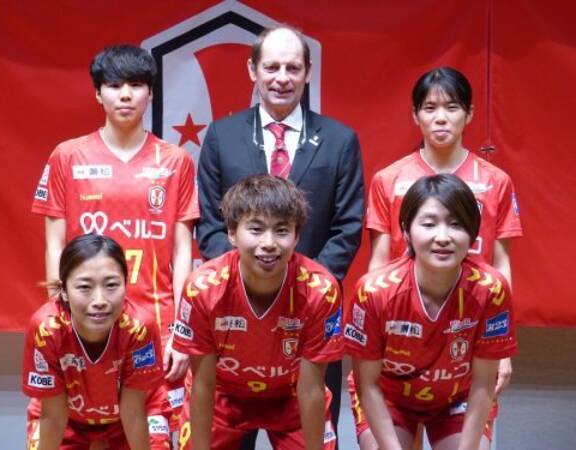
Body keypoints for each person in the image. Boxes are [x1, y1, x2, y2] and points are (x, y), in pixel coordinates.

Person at [196, 25, 364, 443]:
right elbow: (211, 223)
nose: (282, 78)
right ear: (252, 70)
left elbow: (348, 227)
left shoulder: (340, 140)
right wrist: (243, 284)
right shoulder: (221, 136)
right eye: (271, 67)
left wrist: (305, 291)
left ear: (308, 71)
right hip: (235, 317)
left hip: (310, 317)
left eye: (293, 68)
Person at [31, 44, 199, 441]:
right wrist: (61, 317)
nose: (125, 95)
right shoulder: (67, 156)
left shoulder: (175, 160)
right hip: (85, 322)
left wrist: (182, 331)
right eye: (114, 85)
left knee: (155, 437)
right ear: (97, 93)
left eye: (136, 85)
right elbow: (55, 246)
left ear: (150, 93)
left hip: (156, 326)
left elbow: (183, 251)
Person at [359, 67, 522, 447]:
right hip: (403, 326)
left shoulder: (495, 180)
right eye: (430, 108)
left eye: (452, 107)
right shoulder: (388, 179)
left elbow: (502, 264)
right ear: (415, 115)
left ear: (470, 113)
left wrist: (503, 350)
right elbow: (378, 261)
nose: (441, 117)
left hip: (466, 323)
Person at [345, 174, 517, 450]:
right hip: (389, 397)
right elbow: (369, 385)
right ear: (406, 231)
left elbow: (484, 384)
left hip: (459, 398)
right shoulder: (373, 291)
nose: (443, 237)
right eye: (428, 224)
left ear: (473, 233)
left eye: (456, 224)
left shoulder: (492, 289)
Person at [173, 174, 343, 450]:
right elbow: (203, 385)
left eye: (282, 230)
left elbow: (311, 388)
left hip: (291, 395)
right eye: (256, 229)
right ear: (231, 233)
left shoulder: (321, 290)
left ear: (297, 236)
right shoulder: (202, 289)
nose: (269, 242)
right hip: (222, 395)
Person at [23, 234, 163, 449]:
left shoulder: (140, 328)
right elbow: (54, 416)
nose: (99, 301)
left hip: (137, 416)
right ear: (64, 291)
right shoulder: (46, 330)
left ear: (126, 285)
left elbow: (134, 412)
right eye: (84, 287)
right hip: (68, 421)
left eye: (111, 285)